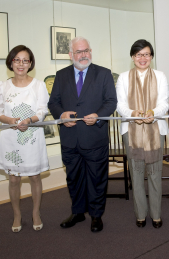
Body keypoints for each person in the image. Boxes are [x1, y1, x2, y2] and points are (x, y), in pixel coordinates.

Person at [48, 36, 117, 233]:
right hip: (70, 139)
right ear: (71, 55)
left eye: (86, 50)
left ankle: (96, 216)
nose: (83, 55)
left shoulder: (103, 74)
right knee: (74, 178)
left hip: (94, 137)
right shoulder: (61, 76)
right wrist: (61, 115)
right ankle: (78, 212)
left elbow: (111, 101)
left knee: (97, 179)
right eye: (79, 52)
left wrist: (99, 115)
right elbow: (53, 103)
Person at [0, 45, 50, 232]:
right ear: (11, 62)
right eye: (17, 60)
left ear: (30, 63)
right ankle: (17, 214)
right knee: (14, 179)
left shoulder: (39, 85)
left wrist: (30, 119)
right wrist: (9, 120)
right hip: (10, 137)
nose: (21, 64)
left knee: (34, 176)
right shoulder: (3, 86)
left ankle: (36, 212)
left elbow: (42, 111)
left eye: (25, 60)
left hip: (31, 136)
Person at [116, 39, 169, 229]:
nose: (142, 58)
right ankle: (140, 214)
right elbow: (120, 104)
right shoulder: (123, 78)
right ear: (132, 57)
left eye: (146, 54)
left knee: (155, 173)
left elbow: (164, 103)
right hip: (131, 130)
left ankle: (156, 214)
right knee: (136, 173)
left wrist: (153, 114)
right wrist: (132, 114)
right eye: (138, 55)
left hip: (155, 130)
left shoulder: (160, 76)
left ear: (151, 57)